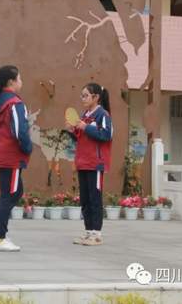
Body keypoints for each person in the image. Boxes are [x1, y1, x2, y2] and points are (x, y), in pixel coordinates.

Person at [0, 65, 32, 252]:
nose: (21, 82)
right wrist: (27, 148)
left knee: (16, 191)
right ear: (11, 82)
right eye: (20, 78)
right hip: (11, 157)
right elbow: (20, 131)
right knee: (10, 195)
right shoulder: (15, 103)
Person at [66, 83, 112, 246]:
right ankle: (88, 232)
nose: (83, 98)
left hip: (95, 164)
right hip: (82, 163)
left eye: (86, 95)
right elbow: (80, 137)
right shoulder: (84, 114)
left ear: (96, 97)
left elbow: (106, 135)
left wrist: (85, 127)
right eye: (82, 95)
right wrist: (72, 131)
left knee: (95, 199)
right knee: (85, 200)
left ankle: (96, 235)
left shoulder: (103, 114)